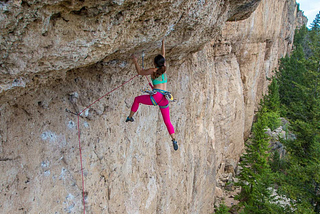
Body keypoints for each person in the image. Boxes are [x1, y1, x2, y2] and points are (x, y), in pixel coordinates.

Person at [126, 40, 178, 151]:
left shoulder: (152, 71)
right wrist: (163, 41)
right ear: (162, 62)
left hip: (156, 97)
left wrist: (135, 61)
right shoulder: (164, 68)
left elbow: (140, 72)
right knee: (167, 121)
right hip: (165, 98)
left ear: (155, 63)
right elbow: (163, 55)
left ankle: (130, 117)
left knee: (137, 99)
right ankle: (173, 139)